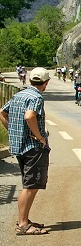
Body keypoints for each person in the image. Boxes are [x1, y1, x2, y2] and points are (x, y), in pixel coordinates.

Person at [1, 68, 52, 235]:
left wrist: (13, 131)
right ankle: (23, 224)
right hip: (33, 148)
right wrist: (40, 137)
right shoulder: (36, 97)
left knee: (28, 184)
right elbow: (30, 116)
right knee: (30, 186)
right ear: (46, 83)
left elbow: (2, 112)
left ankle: (24, 220)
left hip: (19, 147)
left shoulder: (19, 95)